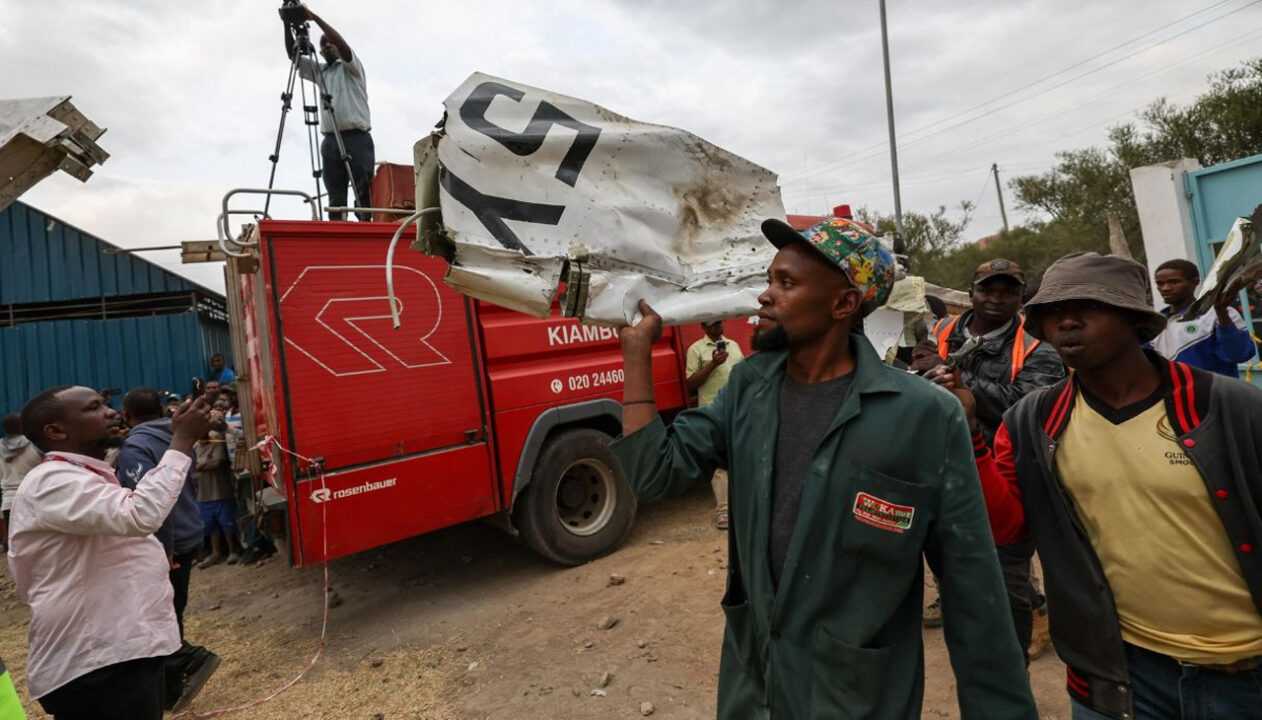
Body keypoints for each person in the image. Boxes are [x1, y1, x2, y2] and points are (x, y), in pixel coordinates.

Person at [612, 218, 1037, 718]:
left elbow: (972, 591)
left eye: (786, 283)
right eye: (770, 280)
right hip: (755, 692)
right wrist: (637, 358)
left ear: (843, 304)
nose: (764, 297)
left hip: (857, 699)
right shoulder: (748, 387)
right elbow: (653, 475)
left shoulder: (924, 416)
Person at [958, 252, 1262, 719]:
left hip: (1246, 677)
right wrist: (969, 434)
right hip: (1119, 678)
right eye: (1053, 312)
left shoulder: (1231, 408)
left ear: (1135, 321)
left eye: (1089, 308)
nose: (1068, 323)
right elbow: (1009, 529)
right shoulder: (1033, 421)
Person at [10, 386, 211, 720]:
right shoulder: (50, 481)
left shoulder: (82, 475)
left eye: (105, 403)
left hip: (118, 654)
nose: (110, 412)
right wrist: (180, 442)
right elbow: (139, 514)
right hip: (98, 664)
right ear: (56, 431)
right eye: (94, 408)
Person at [916, 259, 1064, 655]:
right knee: (946, 542)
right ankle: (954, 598)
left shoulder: (1036, 344)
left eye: (1008, 292)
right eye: (988, 290)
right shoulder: (941, 330)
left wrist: (960, 382)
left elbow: (1031, 407)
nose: (996, 299)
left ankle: (1029, 615)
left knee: (1005, 552)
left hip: (1003, 465)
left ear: (1020, 297)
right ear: (971, 292)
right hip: (939, 456)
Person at [117, 388, 222, 712]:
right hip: (187, 531)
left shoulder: (136, 447)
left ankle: (188, 661)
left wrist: (164, 549)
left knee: (159, 617)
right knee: (170, 612)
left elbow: (151, 508)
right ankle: (170, 688)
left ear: (127, 415)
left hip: (168, 542)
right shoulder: (176, 435)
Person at [283, 4, 374, 221]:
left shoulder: (352, 68)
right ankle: (339, 230)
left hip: (356, 137)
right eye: (323, 44)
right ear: (320, 52)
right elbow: (292, 55)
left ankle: (365, 225)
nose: (328, 45)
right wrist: (287, 25)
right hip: (331, 140)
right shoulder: (320, 71)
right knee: (335, 195)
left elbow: (343, 46)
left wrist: (316, 19)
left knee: (364, 189)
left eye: (331, 42)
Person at [684, 320, 745, 530]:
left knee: (741, 457)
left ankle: (743, 506)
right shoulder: (696, 349)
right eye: (712, 325)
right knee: (720, 464)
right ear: (703, 327)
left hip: (739, 409)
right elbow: (691, 383)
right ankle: (724, 512)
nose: (717, 327)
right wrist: (713, 364)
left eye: (719, 323)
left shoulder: (733, 345)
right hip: (712, 412)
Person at [1151, 258, 1256, 377]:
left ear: (1195, 282)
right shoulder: (1153, 323)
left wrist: (1221, 312)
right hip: (1175, 394)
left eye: (1174, 282)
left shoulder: (1218, 314)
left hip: (1215, 393)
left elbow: (1240, 354)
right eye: (1160, 283)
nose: (1165, 288)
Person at [195, 427, 242, 568]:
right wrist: (204, 464)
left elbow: (217, 462)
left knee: (227, 522)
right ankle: (216, 553)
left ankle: (233, 550)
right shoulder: (196, 447)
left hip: (220, 490)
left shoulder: (216, 442)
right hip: (203, 494)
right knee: (210, 525)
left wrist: (199, 466)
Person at [1, 413, 41, 551]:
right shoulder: (36, 445)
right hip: (35, 500)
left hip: (9, 502)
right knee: (39, 547)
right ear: (23, 426)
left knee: (17, 550)